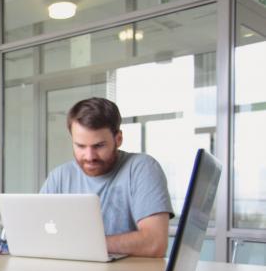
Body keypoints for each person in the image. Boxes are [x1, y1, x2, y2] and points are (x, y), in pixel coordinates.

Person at [40, 97, 173, 257]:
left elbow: (155, 243)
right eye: (80, 146)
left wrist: (81, 245)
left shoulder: (142, 168)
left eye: (99, 146)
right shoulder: (59, 176)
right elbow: (37, 233)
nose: (89, 156)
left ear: (118, 139)